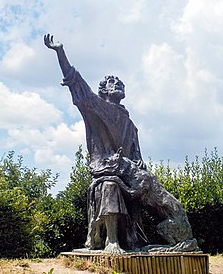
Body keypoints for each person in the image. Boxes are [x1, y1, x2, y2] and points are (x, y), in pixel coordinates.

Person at [44, 34, 199, 253]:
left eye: (121, 83)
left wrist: (139, 164)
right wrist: (61, 53)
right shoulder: (96, 107)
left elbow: (138, 156)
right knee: (110, 186)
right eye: (112, 82)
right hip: (107, 170)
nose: (118, 84)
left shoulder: (130, 123)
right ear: (103, 90)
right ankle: (112, 242)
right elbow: (76, 85)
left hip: (129, 173)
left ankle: (134, 240)